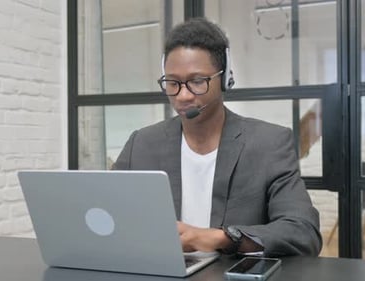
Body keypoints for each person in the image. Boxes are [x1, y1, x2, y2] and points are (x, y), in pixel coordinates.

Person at [112, 17, 322, 257]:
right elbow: (108, 216)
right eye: (172, 83)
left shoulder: (269, 144)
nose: (182, 96)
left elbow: (303, 232)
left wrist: (221, 238)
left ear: (225, 79)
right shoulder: (141, 144)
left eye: (197, 81)